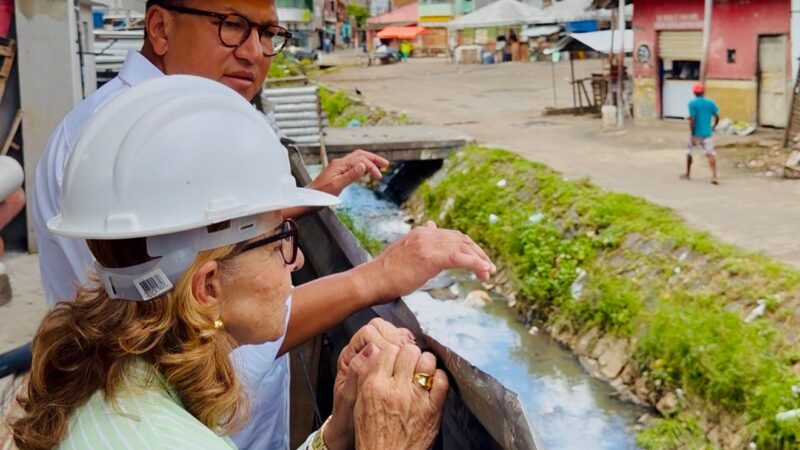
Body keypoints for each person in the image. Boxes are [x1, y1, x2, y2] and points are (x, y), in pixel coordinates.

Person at [31, 1, 495, 448]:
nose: (254, 51)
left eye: (268, 33)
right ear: (159, 27)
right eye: (230, 24)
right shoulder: (121, 142)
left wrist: (334, 438)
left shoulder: (118, 384)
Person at [682, 82, 720, 185]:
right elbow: (717, 116)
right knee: (710, 154)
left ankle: (688, 173)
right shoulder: (710, 103)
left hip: (696, 133)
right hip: (707, 133)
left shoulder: (692, 104)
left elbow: (692, 119)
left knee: (689, 152)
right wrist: (713, 126)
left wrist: (693, 135)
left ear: (694, 92)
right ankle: (714, 176)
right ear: (703, 92)